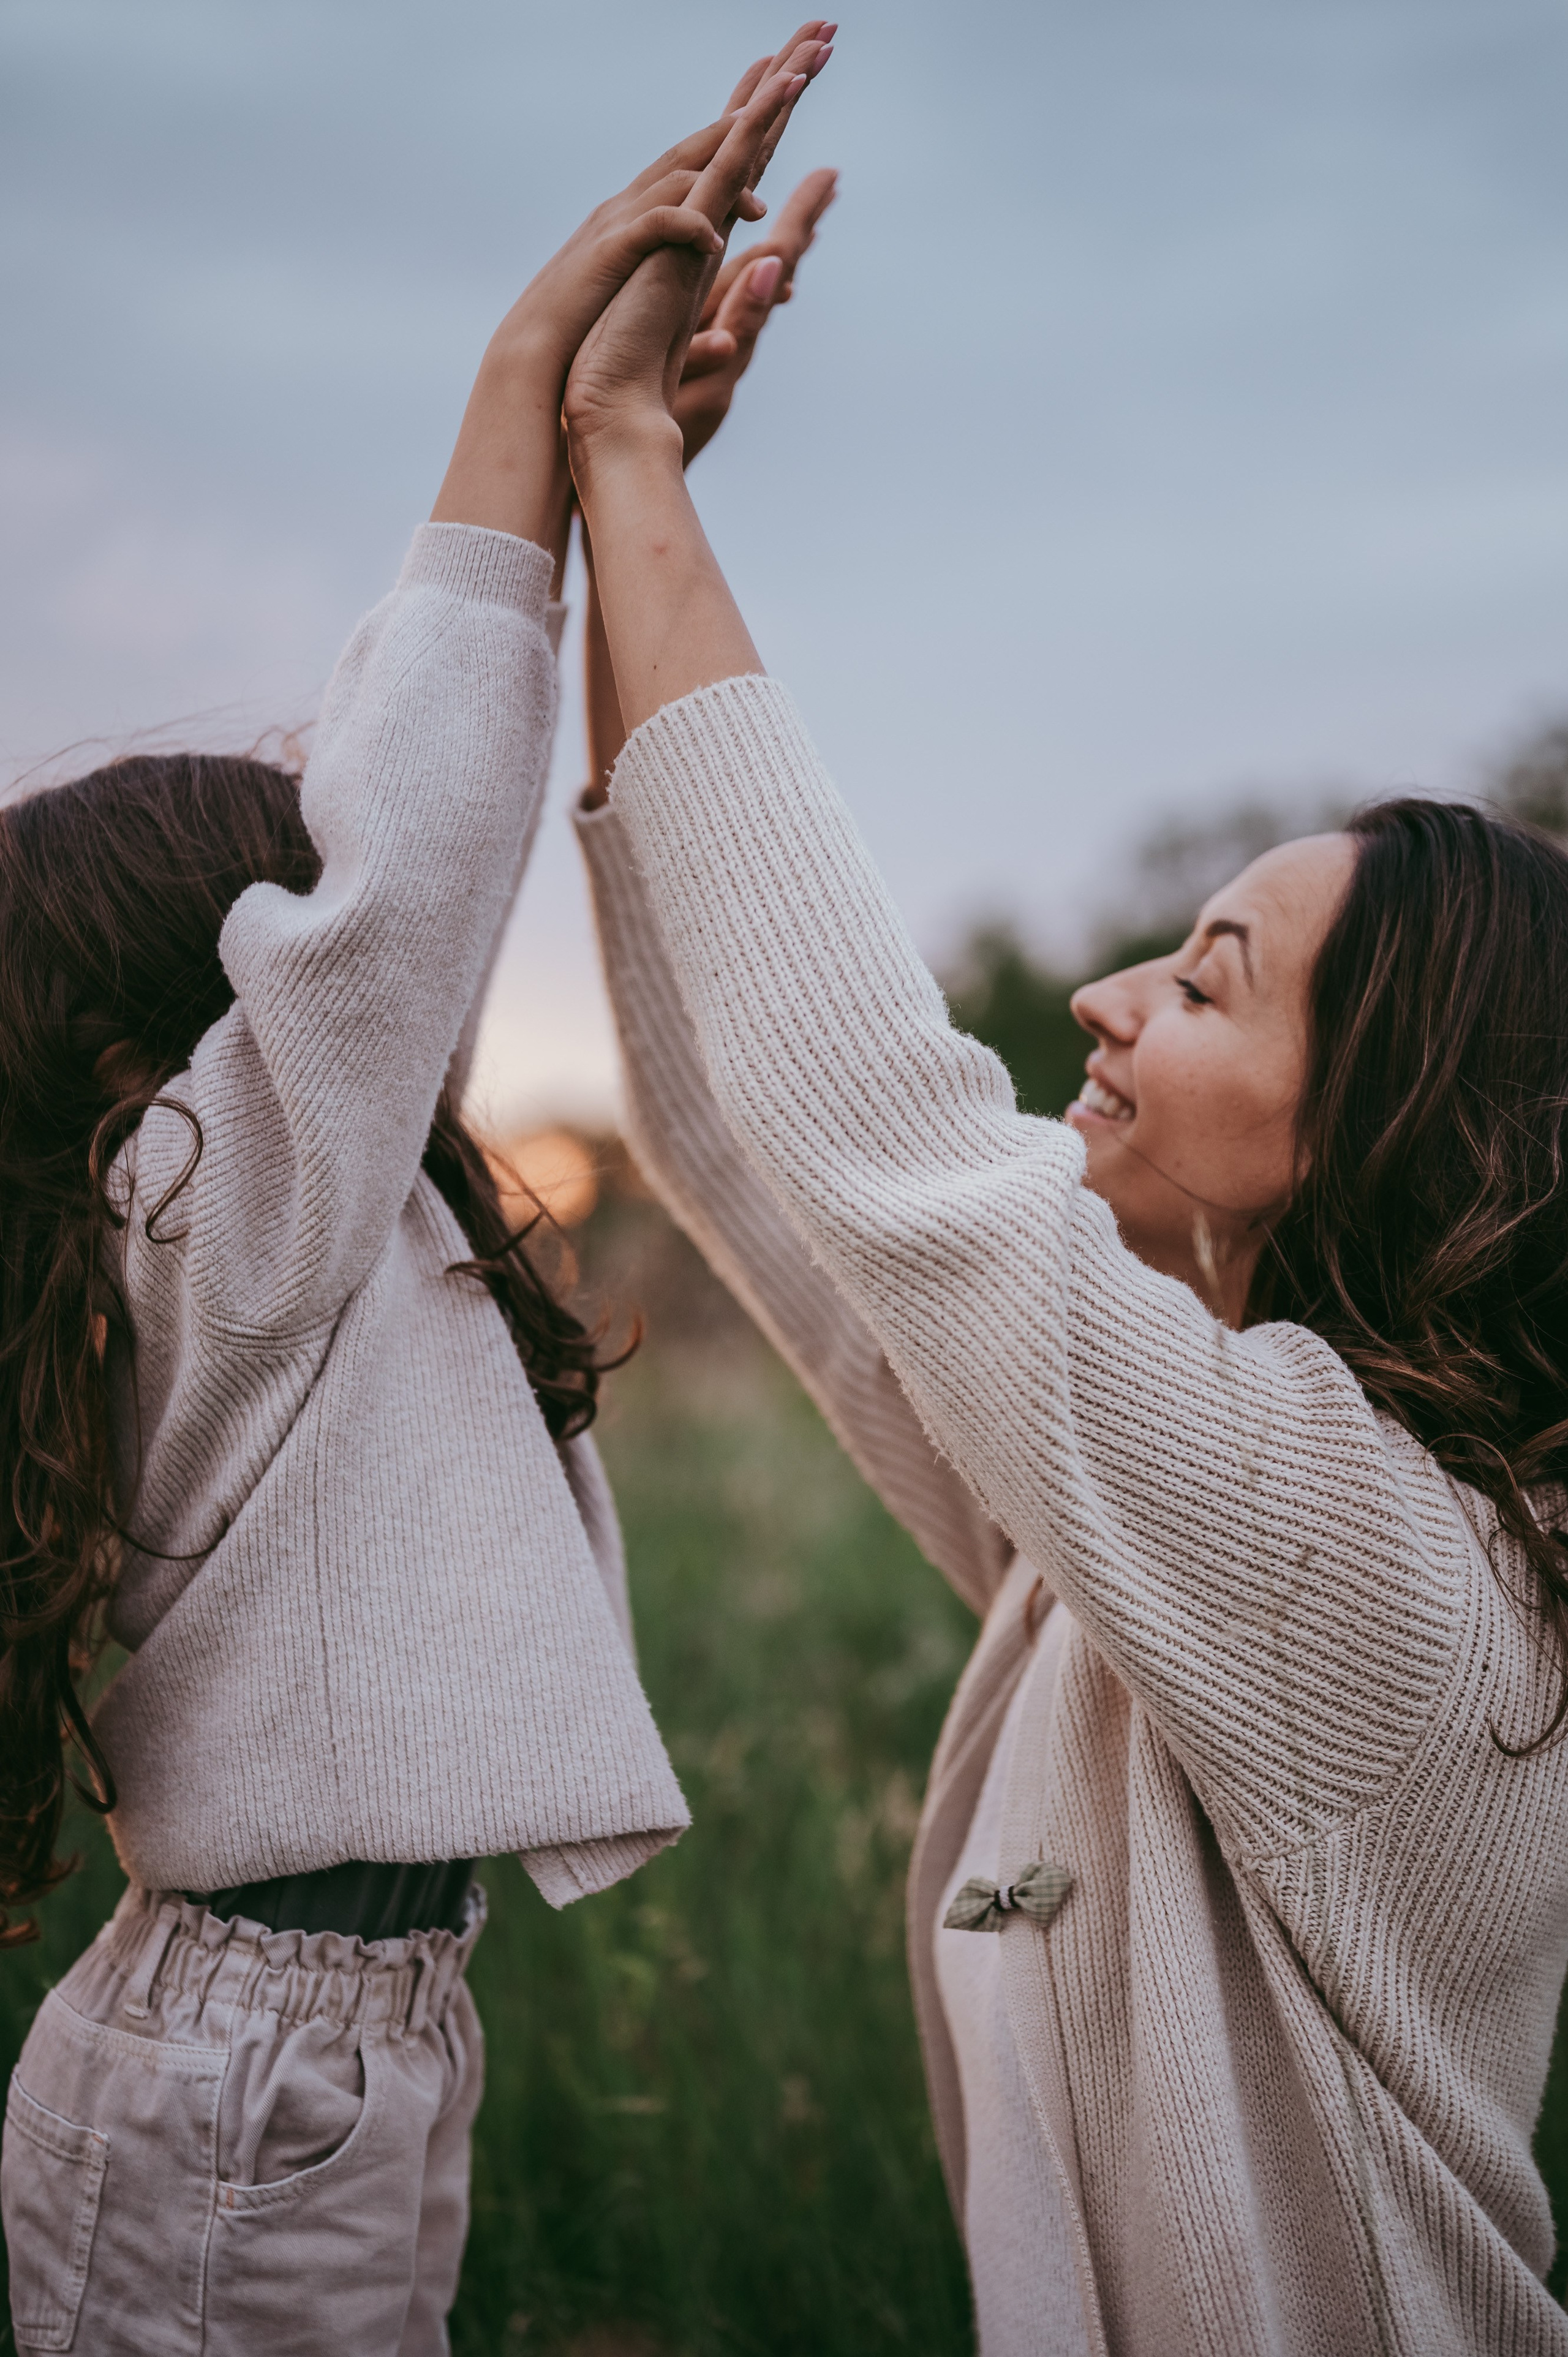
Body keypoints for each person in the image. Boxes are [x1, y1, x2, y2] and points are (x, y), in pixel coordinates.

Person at [565, 127, 1568, 2357]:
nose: (1110, 1000)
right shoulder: (1162, 1528)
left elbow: (885, 1131)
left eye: (1206, 981)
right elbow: (771, 1155)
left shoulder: (1371, 1554)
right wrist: (636, 544)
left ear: (1379, 1130)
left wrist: (619, 438)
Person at [0, 31, 832, 2356]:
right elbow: (409, 889)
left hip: (310, 2054)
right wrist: (522, 390)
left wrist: (619, 476)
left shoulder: (282, 1228)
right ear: (178, 1032)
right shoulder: (193, 1221)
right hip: (249, 2081)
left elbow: (415, 918)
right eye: (295, 942)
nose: (376, 975)